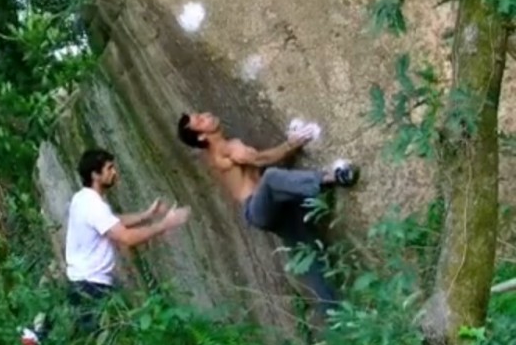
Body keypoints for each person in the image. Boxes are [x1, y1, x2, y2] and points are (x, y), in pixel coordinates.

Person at [175, 112, 359, 319]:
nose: (206, 115)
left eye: (200, 114)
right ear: (201, 137)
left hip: (273, 203)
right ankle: (332, 177)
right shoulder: (223, 151)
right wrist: (291, 144)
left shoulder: (230, 146)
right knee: (271, 177)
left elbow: (261, 163)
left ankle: (337, 317)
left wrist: (290, 145)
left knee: (309, 255)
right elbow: (262, 159)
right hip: (256, 208)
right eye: (200, 120)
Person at [64, 148, 191, 333]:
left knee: (95, 342)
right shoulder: (93, 205)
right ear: (95, 174)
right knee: (108, 344)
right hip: (92, 286)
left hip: (81, 282)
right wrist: (165, 224)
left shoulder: (82, 198)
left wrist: (147, 215)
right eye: (109, 168)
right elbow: (127, 238)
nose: (115, 172)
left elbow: (111, 221)